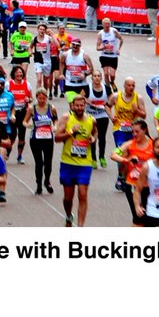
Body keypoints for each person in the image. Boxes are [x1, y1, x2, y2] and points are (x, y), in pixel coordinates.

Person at [55, 92, 96, 227]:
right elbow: (57, 138)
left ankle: (80, 226)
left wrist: (93, 138)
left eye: (81, 105)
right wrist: (71, 132)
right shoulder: (66, 118)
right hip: (68, 162)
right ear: (72, 106)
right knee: (68, 198)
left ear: (85, 105)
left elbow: (95, 132)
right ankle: (68, 215)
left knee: (83, 194)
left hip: (85, 163)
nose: (79, 108)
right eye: (76, 105)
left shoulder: (91, 120)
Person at [111, 118, 155, 225]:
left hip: (149, 186)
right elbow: (113, 154)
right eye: (133, 132)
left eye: (137, 132)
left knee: (148, 218)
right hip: (132, 184)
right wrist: (126, 160)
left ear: (144, 130)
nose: (134, 134)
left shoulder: (153, 144)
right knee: (138, 217)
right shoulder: (129, 144)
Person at [95, 17, 122, 94]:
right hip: (104, 55)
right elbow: (97, 47)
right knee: (106, 73)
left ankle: (112, 82)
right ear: (102, 25)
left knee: (112, 74)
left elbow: (121, 39)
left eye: (108, 23)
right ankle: (108, 88)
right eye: (105, 24)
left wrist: (118, 49)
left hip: (113, 56)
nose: (107, 25)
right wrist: (103, 47)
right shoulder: (100, 34)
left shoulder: (114, 31)